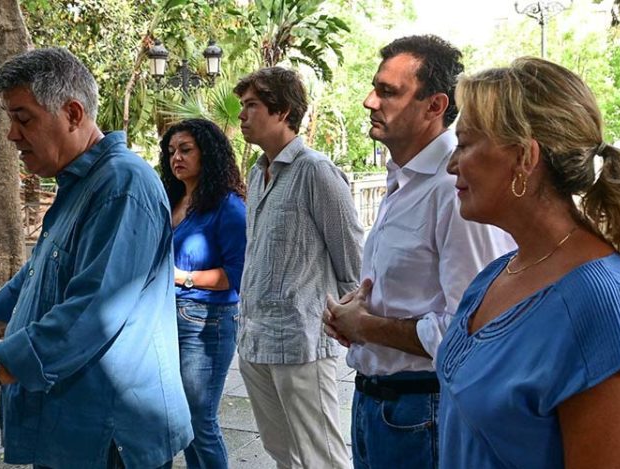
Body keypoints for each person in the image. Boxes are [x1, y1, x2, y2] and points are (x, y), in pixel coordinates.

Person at [0, 48, 192, 468]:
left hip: (110, 434)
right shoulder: (81, 182)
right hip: (72, 424)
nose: (11, 135)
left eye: (24, 119)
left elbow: (93, 311)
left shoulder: (122, 186)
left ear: (74, 113)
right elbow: (41, 267)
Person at [437, 57, 620, 468]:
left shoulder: (603, 306)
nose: (451, 164)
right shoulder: (495, 275)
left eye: (464, 145)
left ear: (524, 157)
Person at [323, 35, 514, 469]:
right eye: (375, 87)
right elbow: (412, 290)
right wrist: (355, 315)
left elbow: (470, 330)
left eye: (388, 91)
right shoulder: (404, 180)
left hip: (420, 413)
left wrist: (368, 326)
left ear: (435, 106)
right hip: (378, 405)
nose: (370, 101)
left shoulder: (456, 190)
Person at [234, 66, 362, 469]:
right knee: (283, 455)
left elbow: (352, 258)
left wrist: (352, 325)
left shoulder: (316, 171)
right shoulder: (257, 173)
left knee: (322, 457)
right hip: (255, 339)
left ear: (282, 111)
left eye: (251, 106)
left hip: (302, 340)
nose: (241, 116)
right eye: (242, 106)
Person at [159, 118, 246, 469]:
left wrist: (184, 278)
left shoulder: (229, 207)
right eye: (170, 152)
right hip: (167, 318)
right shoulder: (174, 199)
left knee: (200, 421)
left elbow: (235, 275)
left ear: (207, 153)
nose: (176, 158)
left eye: (185, 149)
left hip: (206, 323)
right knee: (174, 418)